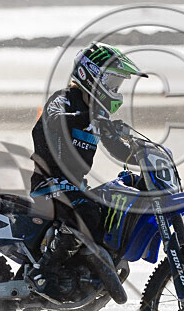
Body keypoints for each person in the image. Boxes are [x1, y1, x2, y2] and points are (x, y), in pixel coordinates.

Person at [28, 42, 147, 297]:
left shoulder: (98, 115)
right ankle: (43, 272)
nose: (115, 90)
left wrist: (145, 158)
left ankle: (83, 271)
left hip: (74, 185)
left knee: (111, 209)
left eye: (118, 84)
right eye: (112, 82)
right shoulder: (62, 100)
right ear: (90, 74)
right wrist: (95, 120)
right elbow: (57, 121)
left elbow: (117, 150)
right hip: (49, 183)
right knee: (86, 213)